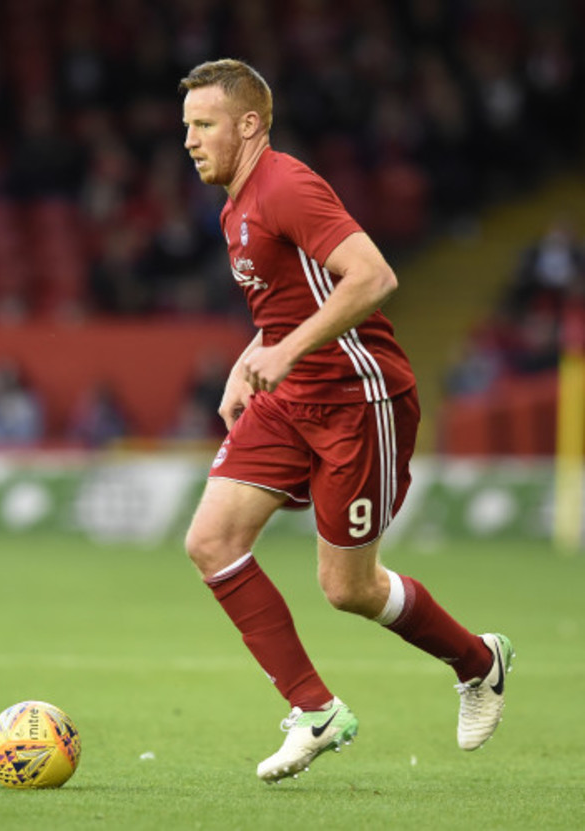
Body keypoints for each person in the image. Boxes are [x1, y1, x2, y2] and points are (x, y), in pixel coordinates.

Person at [179, 59, 514, 784]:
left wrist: (290, 347)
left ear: (249, 125)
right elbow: (290, 301)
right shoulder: (234, 203)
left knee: (349, 589)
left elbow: (374, 275)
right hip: (288, 398)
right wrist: (253, 355)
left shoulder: (287, 185)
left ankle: (480, 662)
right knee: (210, 541)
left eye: (204, 125)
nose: (190, 140)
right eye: (186, 126)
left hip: (358, 402)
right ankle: (315, 710)